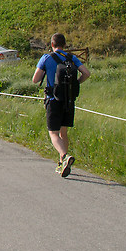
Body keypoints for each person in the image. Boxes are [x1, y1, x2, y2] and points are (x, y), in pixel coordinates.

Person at [33, 33, 90, 177]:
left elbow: (35, 79)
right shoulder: (72, 58)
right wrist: (76, 83)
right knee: (63, 133)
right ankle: (61, 164)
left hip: (53, 100)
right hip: (69, 101)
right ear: (64, 45)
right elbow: (86, 73)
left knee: (53, 133)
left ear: (52, 44)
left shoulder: (46, 58)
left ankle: (64, 156)